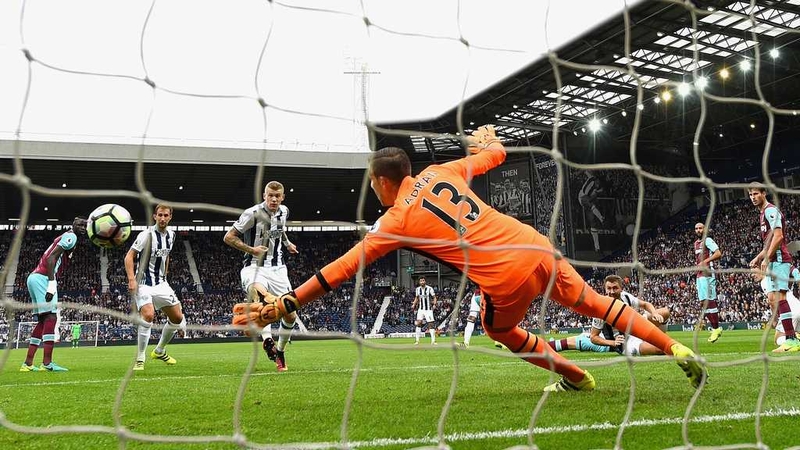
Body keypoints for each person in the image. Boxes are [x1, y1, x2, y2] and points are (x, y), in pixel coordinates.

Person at [233, 126, 706, 392]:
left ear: (382, 182)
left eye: (372, 182)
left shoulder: (394, 221)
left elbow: (342, 268)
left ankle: (575, 376)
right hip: (535, 243)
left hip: (504, 273)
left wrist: (288, 303)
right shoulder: (444, 169)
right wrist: (483, 143)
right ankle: (674, 348)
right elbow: (495, 154)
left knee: (500, 330)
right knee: (593, 303)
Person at [224, 181, 299, 372]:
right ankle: (267, 340)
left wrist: (288, 243)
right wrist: (252, 250)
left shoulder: (284, 211)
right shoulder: (252, 214)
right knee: (260, 296)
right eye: (270, 196)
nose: (273, 199)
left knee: (291, 314)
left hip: (278, 269)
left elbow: (280, 230)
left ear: (282, 197)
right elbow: (229, 237)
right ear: (264, 195)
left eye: (277, 196)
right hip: (254, 267)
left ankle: (280, 351)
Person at [20, 217, 87, 372]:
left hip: (34, 277)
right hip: (43, 278)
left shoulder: (67, 236)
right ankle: (47, 363)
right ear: (73, 225)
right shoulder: (71, 236)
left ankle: (28, 364)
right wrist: (51, 284)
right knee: (51, 317)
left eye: (85, 225)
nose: (82, 227)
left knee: (43, 321)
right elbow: (51, 258)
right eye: (79, 224)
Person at [125, 204, 186, 371]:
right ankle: (140, 358)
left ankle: (159, 350)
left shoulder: (172, 235)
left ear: (170, 217)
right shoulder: (146, 235)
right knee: (149, 315)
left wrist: (165, 274)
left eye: (166, 215)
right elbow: (129, 257)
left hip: (161, 283)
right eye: (160, 215)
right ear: (154, 216)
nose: (163, 218)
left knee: (177, 319)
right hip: (143, 283)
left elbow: (166, 256)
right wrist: (132, 280)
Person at [747, 184, 800, 352]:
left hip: (779, 260)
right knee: (772, 298)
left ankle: (791, 339)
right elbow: (768, 243)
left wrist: (767, 258)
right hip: (773, 260)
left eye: (756, 194)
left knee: (779, 297)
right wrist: (758, 257)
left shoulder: (770, 211)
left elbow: (779, 237)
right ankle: (791, 337)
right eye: (750, 195)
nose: (753, 197)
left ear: (764, 193)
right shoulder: (763, 215)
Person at [587, 275, 670, 357]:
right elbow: (593, 337)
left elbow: (645, 304)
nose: (611, 292)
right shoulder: (601, 309)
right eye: (609, 288)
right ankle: (658, 342)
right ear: (605, 289)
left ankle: (659, 337)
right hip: (625, 342)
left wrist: (654, 313)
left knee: (665, 312)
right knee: (660, 349)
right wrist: (613, 343)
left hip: (636, 327)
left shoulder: (625, 296)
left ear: (621, 289)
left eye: (615, 288)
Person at [693, 223, 723, 343]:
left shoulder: (708, 240)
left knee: (709, 300)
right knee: (702, 302)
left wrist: (705, 261)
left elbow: (718, 253)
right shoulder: (696, 243)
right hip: (700, 274)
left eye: (700, 228)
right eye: (696, 228)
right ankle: (715, 328)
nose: (698, 230)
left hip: (708, 273)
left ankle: (716, 328)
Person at [412, 277, 437, 345]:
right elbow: (417, 298)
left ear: (425, 281)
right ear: (419, 282)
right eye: (421, 281)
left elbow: (434, 297)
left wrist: (434, 304)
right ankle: (417, 341)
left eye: (423, 280)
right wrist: (414, 304)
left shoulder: (429, 288)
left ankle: (433, 341)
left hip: (428, 309)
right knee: (419, 323)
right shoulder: (417, 289)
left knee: (431, 324)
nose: (422, 282)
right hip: (421, 309)